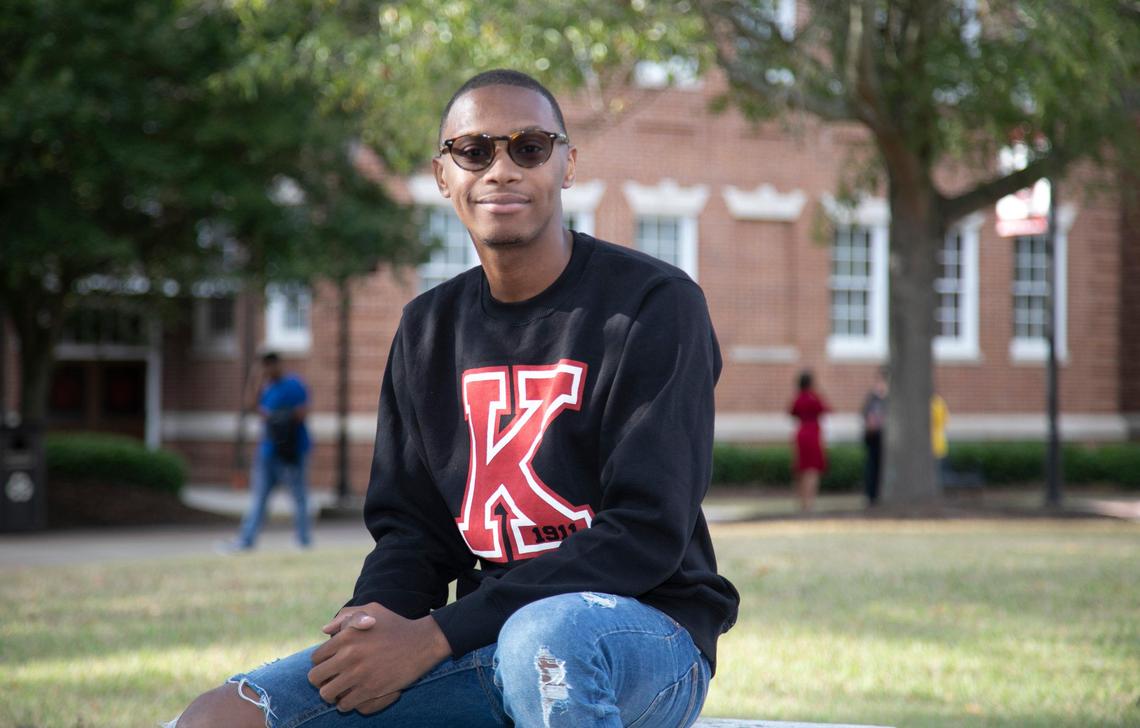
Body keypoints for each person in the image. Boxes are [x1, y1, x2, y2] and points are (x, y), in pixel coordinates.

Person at [173, 69, 739, 728]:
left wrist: (438, 636)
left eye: (529, 147)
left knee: (545, 641)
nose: (501, 168)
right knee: (220, 717)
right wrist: (375, 623)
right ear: (444, 175)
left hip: (643, 636)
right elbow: (413, 530)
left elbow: (647, 531)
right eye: (475, 151)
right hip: (485, 639)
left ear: (567, 164)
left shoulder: (652, 306)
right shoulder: (426, 329)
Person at [220, 351, 312, 552]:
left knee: (299, 496)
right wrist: (255, 377)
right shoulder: (266, 387)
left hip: (292, 450)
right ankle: (246, 540)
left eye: (269, 366)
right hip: (268, 451)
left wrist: (276, 417)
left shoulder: (294, 384)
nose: (268, 371)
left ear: (278, 364)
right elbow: (251, 406)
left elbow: (302, 412)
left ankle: (304, 540)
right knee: (259, 497)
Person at [789, 369, 829, 512]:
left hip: (800, 434)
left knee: (801, 468)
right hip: (813, 434)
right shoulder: (814, 398)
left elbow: (792, 412)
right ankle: (810, 502)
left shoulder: (798, 398)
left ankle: (801, 501)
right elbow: (827, 409)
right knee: (812, 470)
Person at [861, 366, 888, 505]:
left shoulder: (889, 398)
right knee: (872, 466)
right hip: (873, 437)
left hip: (886, 438)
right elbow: (865, 414)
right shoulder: (872, 397)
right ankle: (871, 496)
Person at [931, 391, 949, 487]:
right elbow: (946, 421)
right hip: (940, 443)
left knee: (936, 473)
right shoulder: (940, 402)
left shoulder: (935, 403)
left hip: (935, 444)